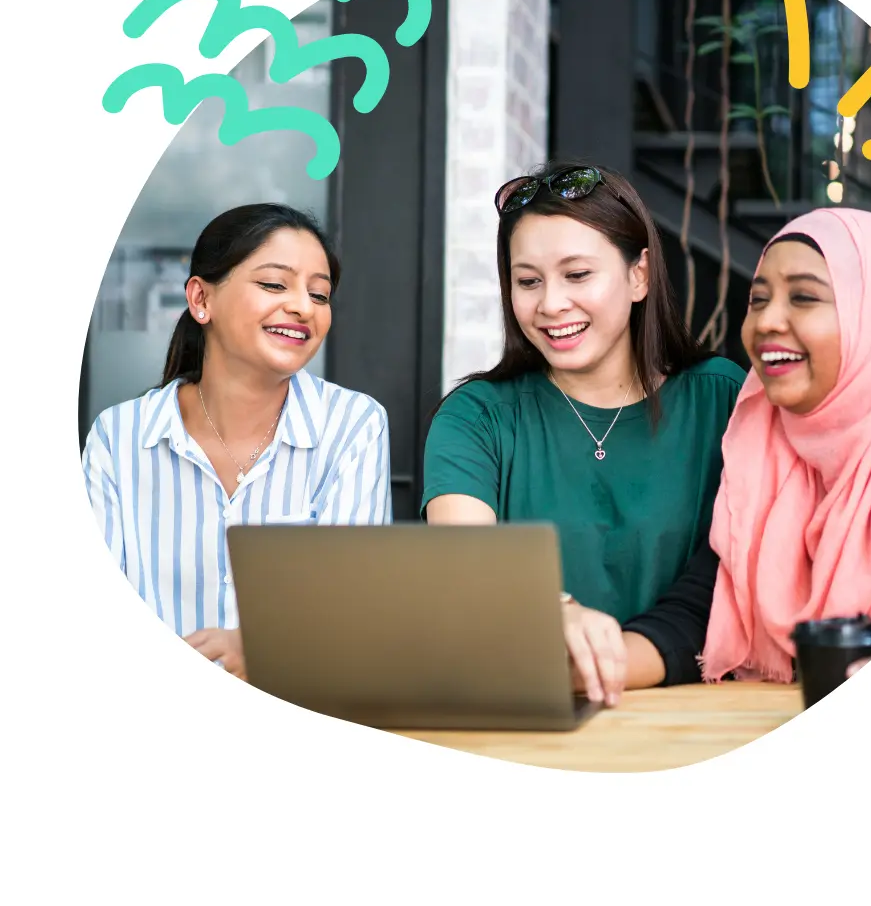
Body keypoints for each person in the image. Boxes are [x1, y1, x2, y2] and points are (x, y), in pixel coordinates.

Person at [587, 206, 871, 692]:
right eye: (759, 299)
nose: (767, 322)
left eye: (804, 296)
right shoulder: (765, 442)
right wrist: (584, 661)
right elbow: (699, 610)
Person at [421, 162, 745, 705]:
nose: (550, 304)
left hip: (698, 711)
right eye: (528, 281)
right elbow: (468, 565)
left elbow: (732, 581)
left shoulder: (723, 399)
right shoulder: (475, 417)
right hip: (531, 705)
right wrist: (555, 611)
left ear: (638, 275)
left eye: (576, 275)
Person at [82, 203, 392, 679]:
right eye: (273, 284)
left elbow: (355, 613)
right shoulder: (118, 438)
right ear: (201, 299)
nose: (303, 307)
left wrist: (267, 649)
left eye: (321, 294)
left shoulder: (353, 426)